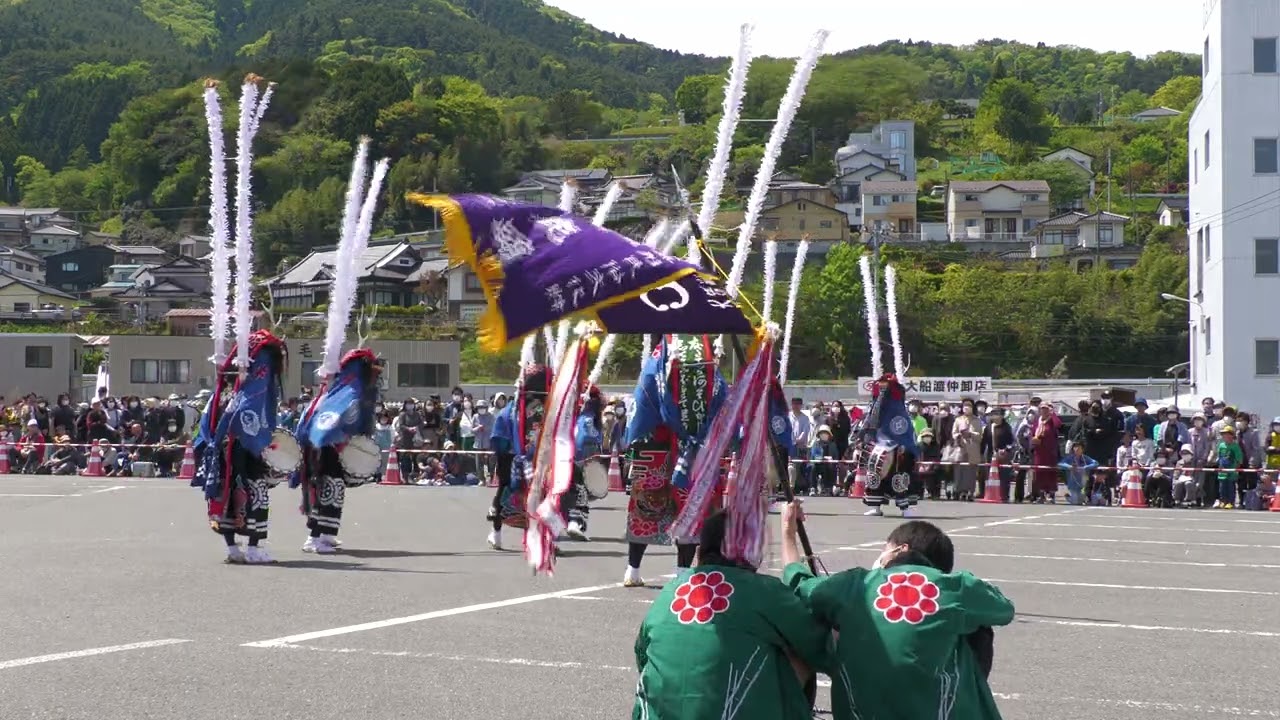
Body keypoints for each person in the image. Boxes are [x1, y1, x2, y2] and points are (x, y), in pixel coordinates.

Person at [780, 503, 1014, 720]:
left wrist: (788, 532)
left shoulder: (854, 583)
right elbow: (1004, 609)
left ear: (900, 550)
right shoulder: (956, 587)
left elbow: (798, 582)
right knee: (977, 627)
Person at [632, 508, 829, 720]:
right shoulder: (764, 590)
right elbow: (819, 646)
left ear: (699, 553)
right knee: (798, 653)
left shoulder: (670, 591)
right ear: (754, 555)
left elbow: (642, 655)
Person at [194, 330, 288, 564]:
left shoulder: (224, 393)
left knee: (227, 494)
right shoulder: (251, 390)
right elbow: (249, 419)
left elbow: (210, 424)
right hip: (241, 450)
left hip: (224, 449)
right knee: (256, 493)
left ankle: (232, 549)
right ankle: (254, 549)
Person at [294, 348, 383, 554]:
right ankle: (315, 537)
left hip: (327, 448)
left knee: (334, 490)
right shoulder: (348, 393)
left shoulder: (342, 391)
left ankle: (326, 534)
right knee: (328, 489)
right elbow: (336, 424)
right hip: (325, 450)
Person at [1215, 425, 1244, 509]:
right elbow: (1219, 456)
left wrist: (1236, 469)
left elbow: (1239, 459)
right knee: (1222, 487)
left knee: (1230, 487)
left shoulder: (1235, 446)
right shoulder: (1221, 445)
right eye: (1223, 434)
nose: (1225, 436)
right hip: (1222, 470)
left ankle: (1230, 502)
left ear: (1232, 435)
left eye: (1227, 434)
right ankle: (1223, 501)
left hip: (1232, 471)